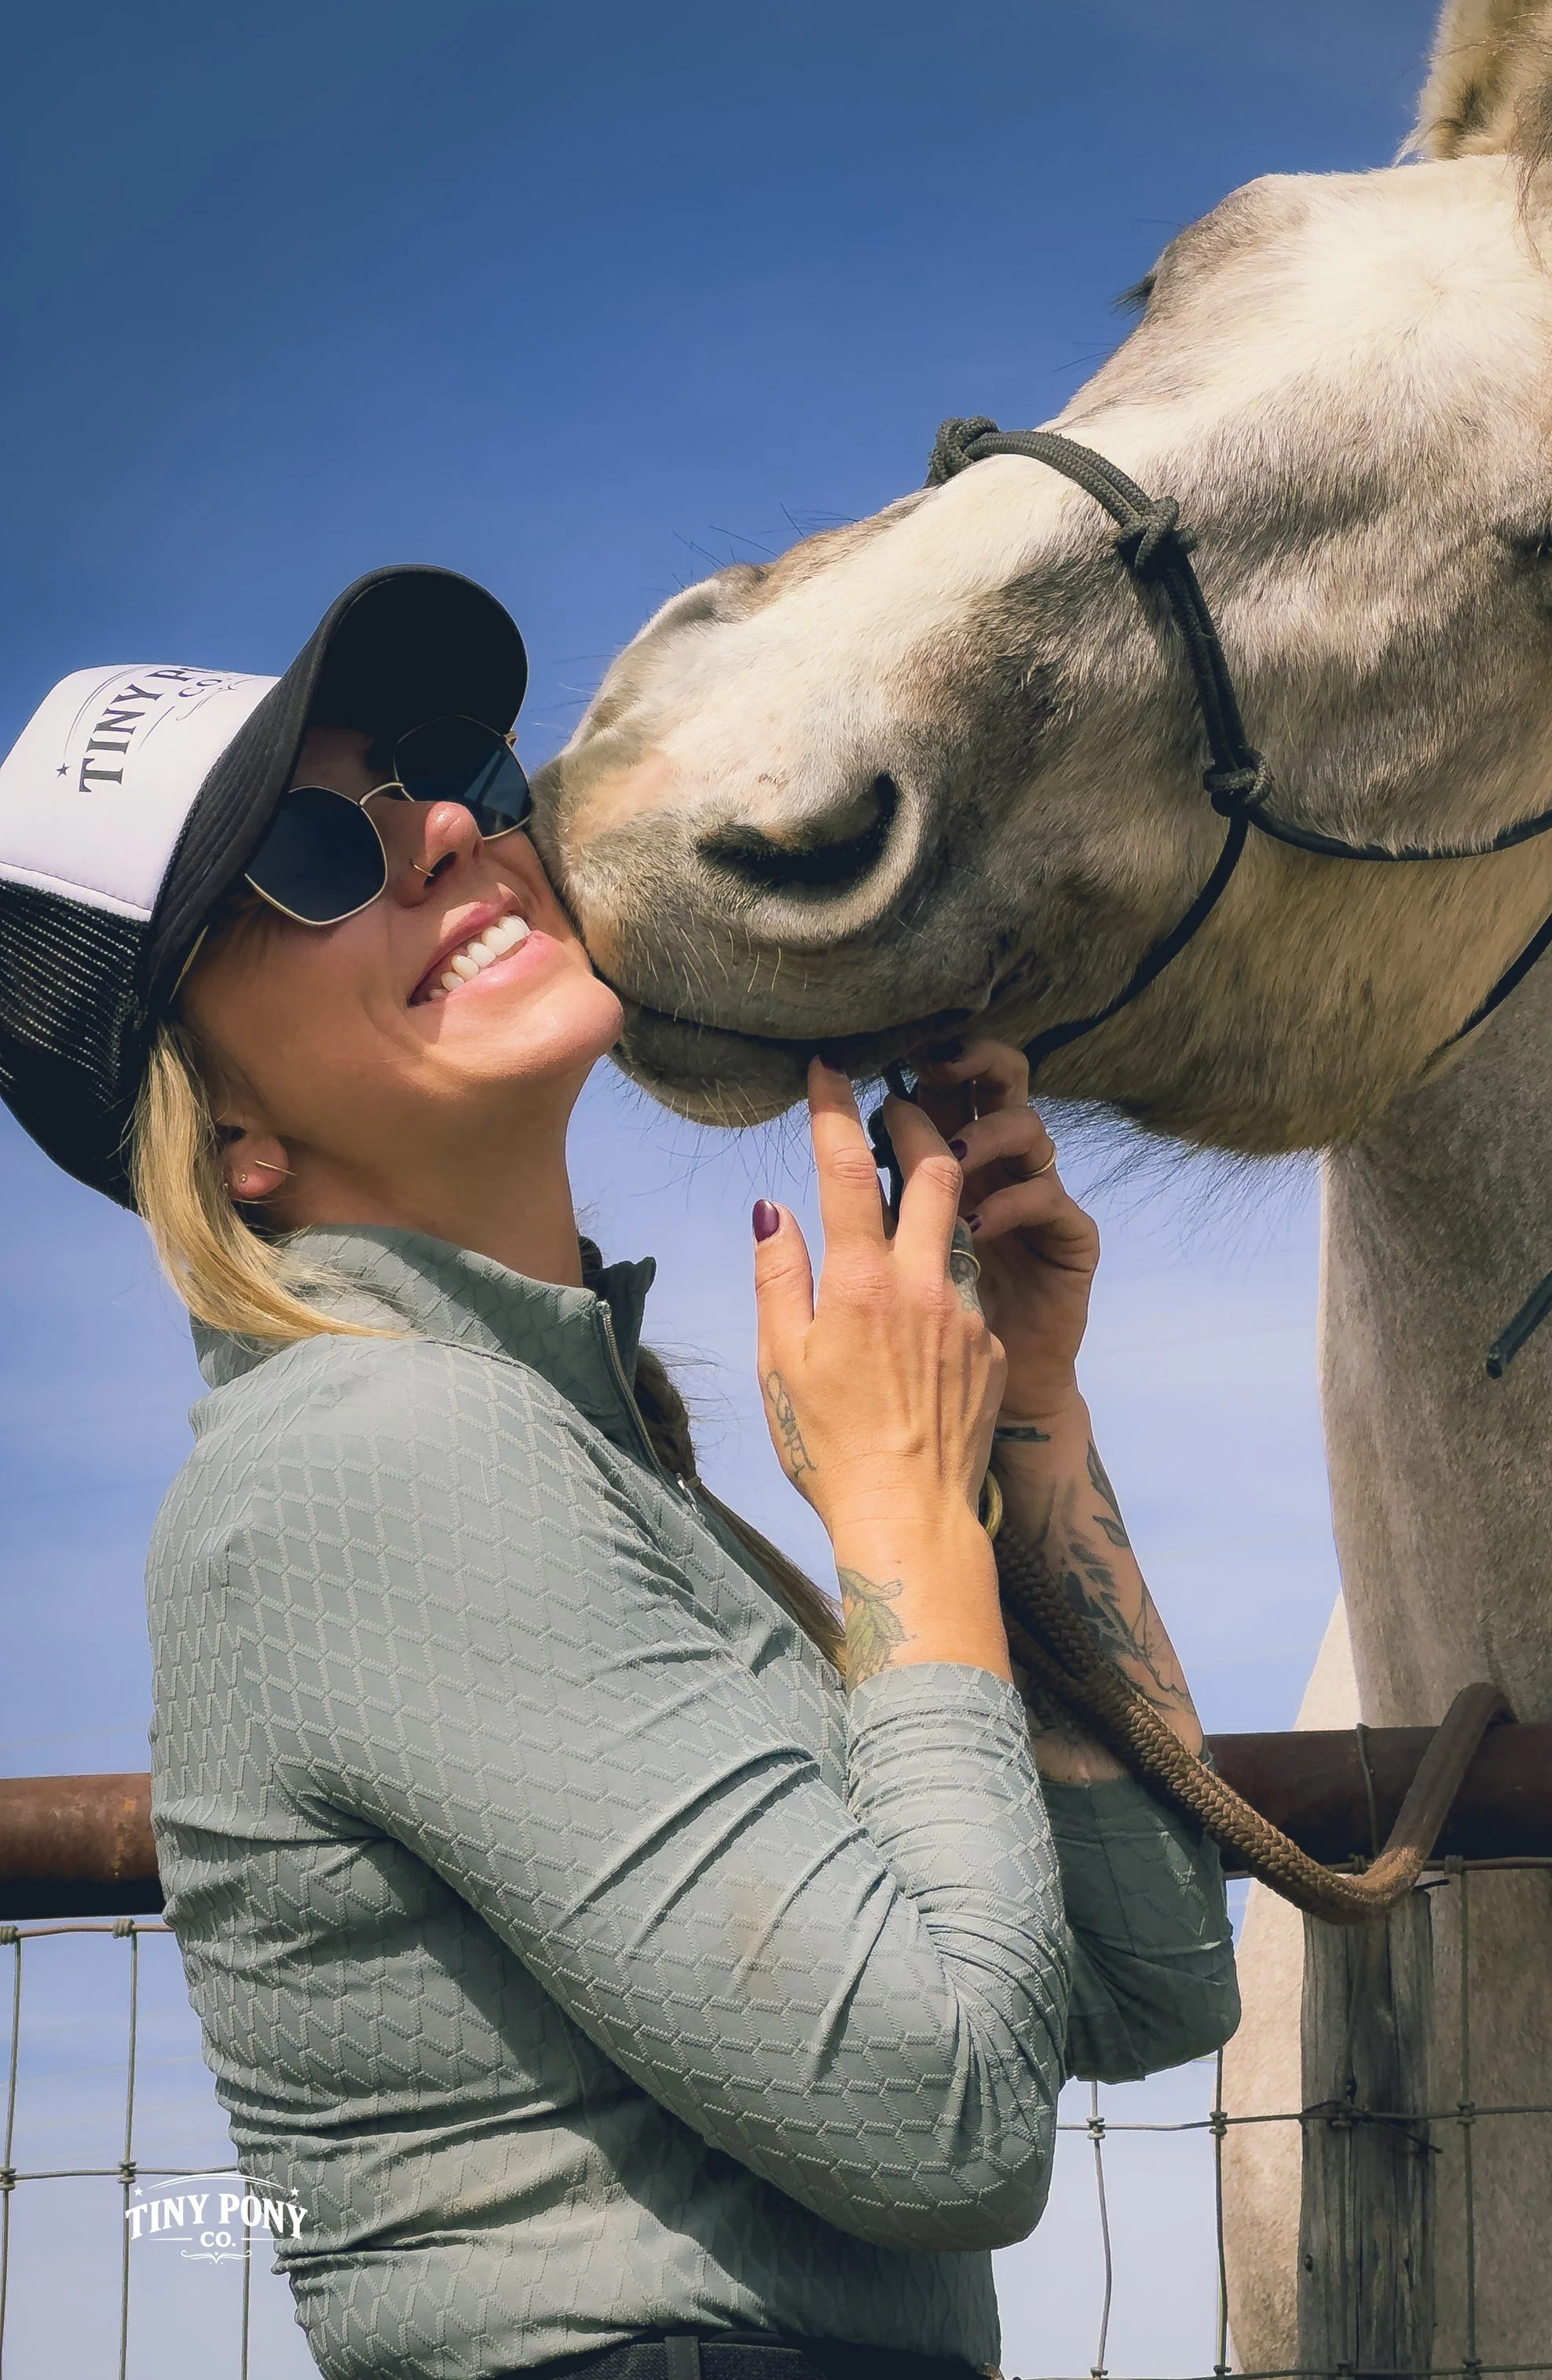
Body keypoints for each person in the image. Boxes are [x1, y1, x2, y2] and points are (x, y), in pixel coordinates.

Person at [0, 568, 1238, 2380]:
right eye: (308, 860)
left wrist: (1016, 1412)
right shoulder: (368, 1457)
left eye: (443, 767)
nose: (442, 830)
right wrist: (895, 1508)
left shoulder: (555, 1444)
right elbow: (948, 2118)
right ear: (228, 1131)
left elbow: (1147, 1983)